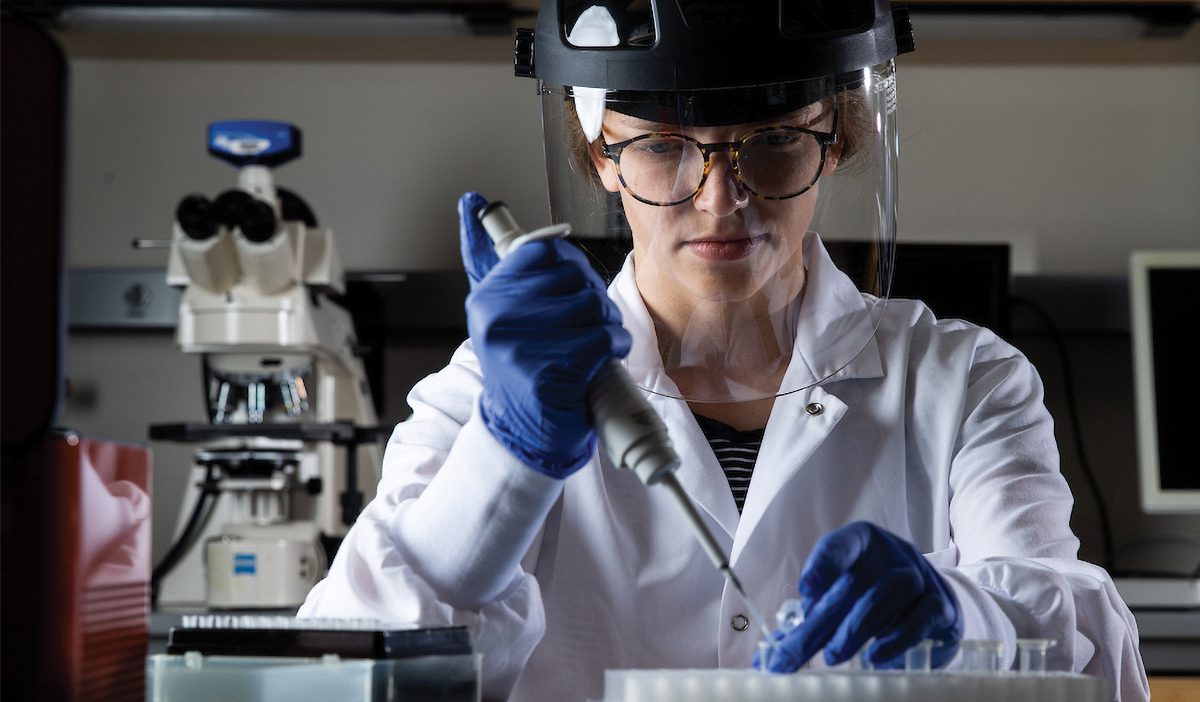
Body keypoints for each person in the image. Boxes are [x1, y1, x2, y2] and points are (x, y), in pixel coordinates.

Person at [299, 2, 1149, 701]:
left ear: (838, 139)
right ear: (600, 153)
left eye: (772, 141)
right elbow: (335, 672)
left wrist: (964, 615)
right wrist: (506, 461)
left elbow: (1093, 657)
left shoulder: (963, 382)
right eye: (664, 147)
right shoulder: (495, 390)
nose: (719, 200)